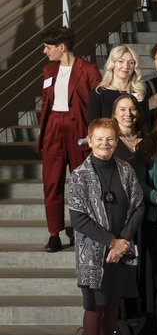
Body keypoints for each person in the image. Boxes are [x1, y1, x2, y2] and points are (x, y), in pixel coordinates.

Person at [68, 118, 144, 335]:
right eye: (99, 138)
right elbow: (79, 218)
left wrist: (122, 242)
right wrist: (111, 242)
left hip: (120, 252)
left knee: (112, 305)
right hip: (93, 254)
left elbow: (138, 207)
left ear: (117, 140)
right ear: (89, 141)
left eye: (110, 138)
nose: (105, 143)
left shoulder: (125, 170)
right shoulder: (79, 175)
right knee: (95, 306)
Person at [39, 26, 100, 252]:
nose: (45, 52)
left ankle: (80, 228)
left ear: (61, 47)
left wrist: (93, 133)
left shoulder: (88, 69)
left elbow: (97, 102)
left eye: (48, 47)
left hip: (79, 130)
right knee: (52, 183)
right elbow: (47, 103)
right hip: (53, 129)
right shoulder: (48, 71)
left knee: (81, 183)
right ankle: (54, 233)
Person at [89, 44, 148, 120]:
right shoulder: (98, 93)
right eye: (121, 61)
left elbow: (145, 123)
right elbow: (93, 125)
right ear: (112, 64)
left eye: (131, 62)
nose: (126, 66)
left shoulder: (140, 91)